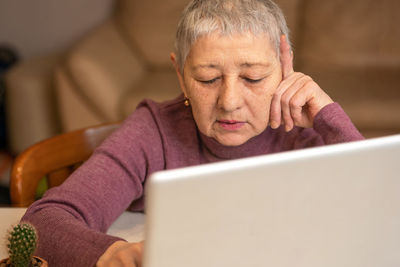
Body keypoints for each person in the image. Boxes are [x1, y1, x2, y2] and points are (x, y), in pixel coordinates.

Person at [22, 0, 364, 266]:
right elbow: (41, 224)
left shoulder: (307, 133)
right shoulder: (152, 132)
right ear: (180, 75)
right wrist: (111, 254)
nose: (229, 102)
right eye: (207, 79)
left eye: (254, 77)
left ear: (285, 66)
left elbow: (380, 213)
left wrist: (330, 118)